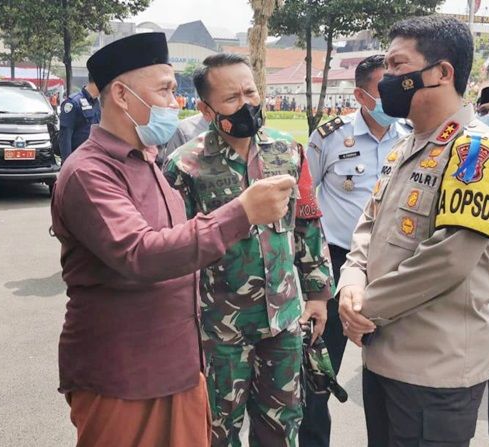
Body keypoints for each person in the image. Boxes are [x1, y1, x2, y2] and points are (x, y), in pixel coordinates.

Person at [50, 33, 296, 447]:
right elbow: (140, 253)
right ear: (124, 97)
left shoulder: (146, 161)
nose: (174, 102)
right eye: (164, 90)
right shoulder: (89, 174)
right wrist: (242, 212)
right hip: (124, 373)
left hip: (179, 364)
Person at [337, 16, 489, 446]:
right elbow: (369, 223)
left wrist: (364, 308)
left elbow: (449, 259)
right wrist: (350, 285)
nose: (387, 78)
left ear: (442, 72)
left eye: (398, 65)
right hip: (382, 354)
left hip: (434, 370)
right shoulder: (408, 145)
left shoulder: (474, 151)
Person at [163, 53, 334, 447]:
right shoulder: (183, 167)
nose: (246, 105)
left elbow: (306, 224)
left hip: (283, 321)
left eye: (251, 92)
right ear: (206, 109)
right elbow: (176, 248)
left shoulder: (288, 151)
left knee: (282, 425)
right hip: (219, 328)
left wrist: (319, 295)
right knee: (216, 429)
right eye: (232, 98)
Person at [300, 54, 411, 447]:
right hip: (334, 265)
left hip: (395, 270)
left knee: (393, 378)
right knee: (317, 373)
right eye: (385, 88)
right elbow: (303, 200)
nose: (394, 96)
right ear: (362, 95)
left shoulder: (413, 135)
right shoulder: (331, 136)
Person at [58, 74, 100, 162]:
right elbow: (65, 138)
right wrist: (67, 164)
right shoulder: (73, 103)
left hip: (94, 160)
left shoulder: (97, 103)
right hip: (78, 161)